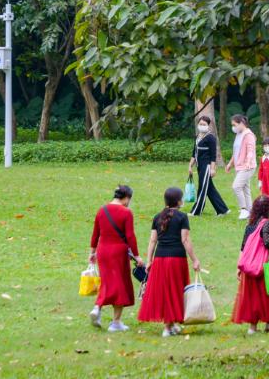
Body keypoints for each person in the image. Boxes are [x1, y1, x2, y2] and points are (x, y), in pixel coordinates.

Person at [138, 187, 202, 336]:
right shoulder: (182, 217)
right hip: (176, 259)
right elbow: (185, 240)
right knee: (175, 290)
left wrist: (149, 260)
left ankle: (171, 324)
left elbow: (152, 240)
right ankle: (167, 327)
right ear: (178, 201)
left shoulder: (157, 217)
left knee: (166, 291)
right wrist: (195, 260)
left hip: (160, 259)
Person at [88, 184, 145, 332]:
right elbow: (130, 236)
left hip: (102, 251)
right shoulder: (126, 213)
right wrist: (137, 255)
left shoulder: (102, 210)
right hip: (118, 252)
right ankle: (116, 322)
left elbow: (95, 234)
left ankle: (97, 308)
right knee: (120, 285)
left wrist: (92, 252)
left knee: (107, 281)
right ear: (126, 198)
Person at [232, 195, 269, 334]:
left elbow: (243, 247)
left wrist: (239, 266)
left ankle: (252, 327)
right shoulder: (266, 223)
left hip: (248, 266)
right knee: (266, 295)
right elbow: (268, 242)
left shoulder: (250, 225)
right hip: (262, 266)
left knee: (252, 297)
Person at [188, 115, 228, 216]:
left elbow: (213, 155)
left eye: (204, 124)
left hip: (206, 167)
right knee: (209, 189)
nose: (202, 126)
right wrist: (190, 165)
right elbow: (194, 152)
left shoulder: (211, 138)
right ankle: (223, 210)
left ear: (208, 126)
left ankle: (196, 211)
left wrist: (213, 169)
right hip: (199, 166)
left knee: (202, 188)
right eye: (200, 124)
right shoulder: (197, 137)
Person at [227, 114, 258, 220]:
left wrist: (248, 162)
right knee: (245, 189)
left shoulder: (248, 135)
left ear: (241, 123)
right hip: (240, 166)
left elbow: (250, 151)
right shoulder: (239, 134)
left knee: (236, 186)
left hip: (247, 167)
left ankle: (244, 209)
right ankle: (251, 212)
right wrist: (230, 163)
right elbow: (236, 151)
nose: (233, 127)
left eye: (234, 125)